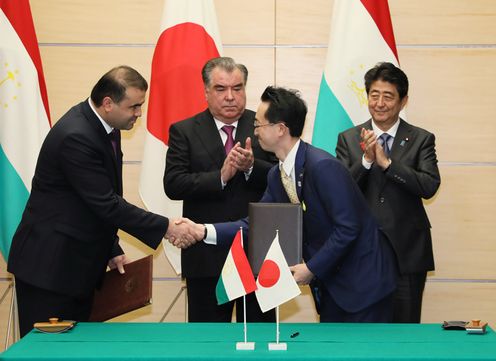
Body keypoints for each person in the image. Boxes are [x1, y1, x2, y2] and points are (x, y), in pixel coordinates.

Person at [177, 86, 398, 322]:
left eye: (258, 124)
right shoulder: (277, 174)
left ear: (280, 129)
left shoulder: (322, 166)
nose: (254, 131)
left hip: (364, 284)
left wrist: (311, 268)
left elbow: (348, 228)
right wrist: (203, 231)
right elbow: (258, 224)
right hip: (333, 284)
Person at [8, 65, 195, 337]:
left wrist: (111, 248)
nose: (139, 114)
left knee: (77, 350)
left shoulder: (106, 127)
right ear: (108, 103)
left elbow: (95, 202)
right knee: (47, 353)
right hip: (49, 270)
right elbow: (106, 203)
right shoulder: (76, 135)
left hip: (76, 268)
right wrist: (167, 226)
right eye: (134, 106)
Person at [163, 57, 277, 322]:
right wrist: (220, 177)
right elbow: (173, 184)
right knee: (209, 343)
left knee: (260, 339)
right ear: (206, 91)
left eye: (237, 88)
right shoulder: (185, 130)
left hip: (257, 253)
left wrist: (251, 167)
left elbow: (284, 177)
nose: (230, 97)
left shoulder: (265, 127)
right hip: (206, 257)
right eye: (220, 89)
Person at [336, 62, 441, 323]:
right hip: (361, 251)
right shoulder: (348, 138)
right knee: (364, 329)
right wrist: (367, 162)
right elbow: (339, 191)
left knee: (404, 328)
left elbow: (429, 185)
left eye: (388, 96)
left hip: (406, 252)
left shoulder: (421, 139)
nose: (380, 103)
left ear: (403, 101)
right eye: (374, 95)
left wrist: (388, 164)